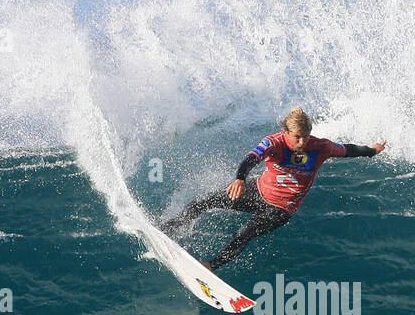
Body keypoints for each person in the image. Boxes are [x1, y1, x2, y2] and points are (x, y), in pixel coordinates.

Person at [161, 107, 386, 271]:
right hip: (257, 191)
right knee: (202, 202)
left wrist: (371, 151)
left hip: (282, 208)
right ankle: (165, 229)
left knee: (244, 233)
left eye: (306, 136)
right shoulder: (274, 142)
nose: (302, 141)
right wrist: (240, 178)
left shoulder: (321, 147)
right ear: (286, 132)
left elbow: (347, 150)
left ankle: (210, 265)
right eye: (297, 137)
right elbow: (251, 158)